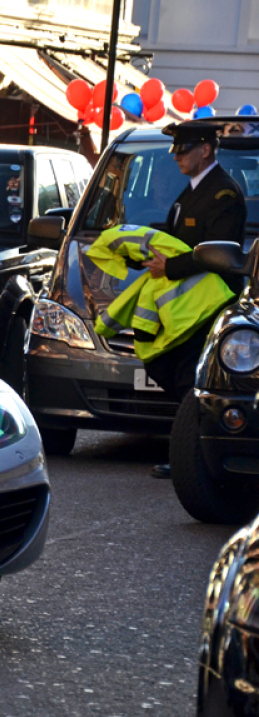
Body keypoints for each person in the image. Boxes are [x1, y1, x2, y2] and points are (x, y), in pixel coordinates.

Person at [141, 121, 247, 478]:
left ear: (206, 150)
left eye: (184, 150)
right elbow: (176, 236)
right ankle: (192, 451)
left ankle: (195, 457)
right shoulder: (191, 192)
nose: (177, 158)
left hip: (208, 304)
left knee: (191, 375)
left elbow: (214, 249)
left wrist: (169, 266)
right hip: (185, 304)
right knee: (166, 366)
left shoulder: (223, 194)